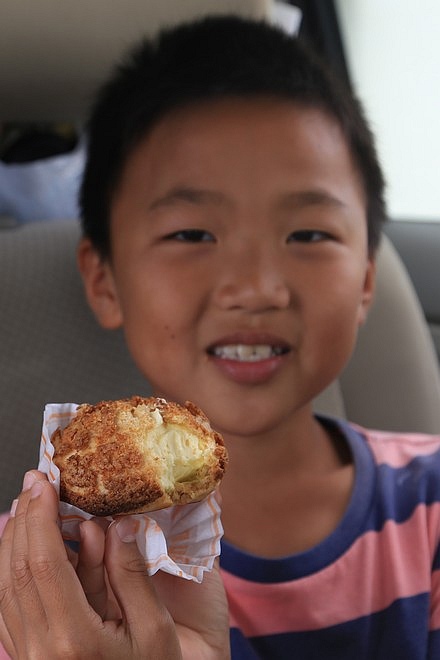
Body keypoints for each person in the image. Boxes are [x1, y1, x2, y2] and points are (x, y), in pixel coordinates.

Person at [1, 14, 439, 659]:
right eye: (192, 235)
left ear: (367, 280)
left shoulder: (429, 506)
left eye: (308, 235)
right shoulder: (42, 564)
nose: (258, 287)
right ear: (105, 282)